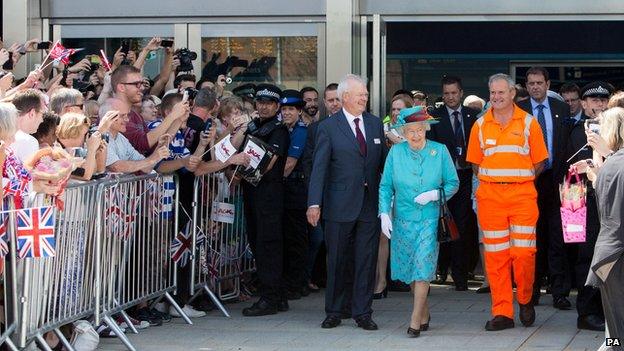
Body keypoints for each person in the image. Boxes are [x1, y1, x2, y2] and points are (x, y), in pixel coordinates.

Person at [466, 73, 548, 331]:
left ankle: (524, 299)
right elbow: (475, 165)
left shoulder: (528, 123)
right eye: (493, 93)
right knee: (496, 257)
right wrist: (497, 181)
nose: (497, 97)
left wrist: (516, 180)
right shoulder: (480, 125)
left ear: (513, 93)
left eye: (502, 92)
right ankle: (502, 312)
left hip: (522, 196)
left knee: (523, 254)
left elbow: (540, 162)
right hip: (491, 198)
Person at [307, 74, 388, 331]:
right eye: (360, 93)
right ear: (345, 98)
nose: (365, 97)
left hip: (369, 203)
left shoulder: (375, 124)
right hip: (338, 203)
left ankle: (363, 312)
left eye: (365, 93)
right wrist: (313, 203)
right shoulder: (328, 127)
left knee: (366, 259)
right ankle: (334, 310)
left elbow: (384, 163)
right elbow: (319, 168)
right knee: (338, 259)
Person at [379, 106, 459, 337]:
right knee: (408, 270)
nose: (415, 135)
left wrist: (435, 195)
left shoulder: (440, 151)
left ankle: (415, 320)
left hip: (429, 219)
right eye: (410, 131)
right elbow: (385, 186)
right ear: (403, 132)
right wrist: (384, 213)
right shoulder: (396, 153)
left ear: (426, 128)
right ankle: (423, 310)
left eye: (419, 130)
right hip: (403, 219)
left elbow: (453, 183)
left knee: (423, 266)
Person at [516, 67, 572, 308]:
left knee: (558, 238)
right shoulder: (519, 111)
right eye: (531, 83)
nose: (535, 87)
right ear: (526, 86)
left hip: (557, 180)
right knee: (532, 239)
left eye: (539, 83)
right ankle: (533, 291)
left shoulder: (560, 108)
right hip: (529, 181)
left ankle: (560, 293)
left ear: (548, 84)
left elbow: (566, 145)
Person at [563, 81, 613, 331]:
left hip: (611, 201)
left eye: (604, 100)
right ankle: (587, 311)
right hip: (587, 201)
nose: (600, 105)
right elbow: (575, 170)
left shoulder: (616, 128)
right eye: (594, 101)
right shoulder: (578, 131)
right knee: (588, 257)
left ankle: (607, 309)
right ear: (583, 104)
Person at [239, 84, 291, 317]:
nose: (263, 107)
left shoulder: (278, 130)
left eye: (269, 103)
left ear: (277, 106)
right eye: (260, 102)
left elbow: (266, 163)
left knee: (267, 246)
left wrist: (236, 168)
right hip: (253, 194)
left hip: (269, 196)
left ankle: (270, 297)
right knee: (259, 243)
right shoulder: (254, 126)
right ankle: (277, 296)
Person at [428, 75, 480, 291]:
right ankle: (441, 269)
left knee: (463, 226)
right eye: (446, 93)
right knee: (441, 225)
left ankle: (460, 276)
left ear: (461, 93)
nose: (450, 97)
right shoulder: (435, 117)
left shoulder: (473, 116)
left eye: (454, 93)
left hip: (466, 177)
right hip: (442, 181)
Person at [584, 107, 624, 348]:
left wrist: (596, 177)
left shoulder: (612, 165)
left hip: (611, 253)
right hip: (615, 252)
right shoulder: (614, 163)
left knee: (615, 319)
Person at [302, 82, 341, 294]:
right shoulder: (315, 129)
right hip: (321, 197)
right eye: (331, 100)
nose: (334, 104)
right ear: (325, 103)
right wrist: (313, 197)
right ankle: (311, 278)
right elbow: (308, 165)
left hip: (344, 198)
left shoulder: (357, 127)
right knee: (319, 240)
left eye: (338, 99)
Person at [280, 89, 309, 299]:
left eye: (291, 109)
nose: (287, 113)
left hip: (296, 191)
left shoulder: (300, 130)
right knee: (287, 238)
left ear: (299, 111)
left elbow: (290, 163)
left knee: (296, 239)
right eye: (284, 109)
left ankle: (297, 284)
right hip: (285, 190)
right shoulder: (283, 129)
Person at [100, 98, 170, 174]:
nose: (127, 120)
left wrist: (158, 149)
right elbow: (116, 167)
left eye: (127, 115)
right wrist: (153, 159)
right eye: (122, 116)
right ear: (108, 116)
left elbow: (146, 168)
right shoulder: (98, 135)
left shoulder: (121, 138)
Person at [55, 112, 107, 181]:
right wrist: (91, 150)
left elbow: (94, 172)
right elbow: (85, 175)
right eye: (85, 134)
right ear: (73, 132)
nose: (87, 138)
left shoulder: (72, 150)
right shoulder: (55, 151)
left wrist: (94, 153)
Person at [10, 89, 45, 163]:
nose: (42, 120)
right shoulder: (28, 141)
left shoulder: (4, 133)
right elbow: (31, 174)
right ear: (32, 113)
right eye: (42, 114)